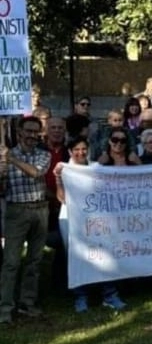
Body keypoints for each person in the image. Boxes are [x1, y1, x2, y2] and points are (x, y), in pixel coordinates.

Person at [55, 137, 129, 311]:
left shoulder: (96, 168)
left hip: (97, 220)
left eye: (83, 149)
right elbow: (62, 198)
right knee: (76, 257)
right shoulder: (63, 169)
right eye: (76, 149)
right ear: (70, 152)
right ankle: (81, 297)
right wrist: (58, 178)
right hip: (70, 219)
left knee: (103, 255)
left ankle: (109, 295)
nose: (80, 153)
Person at [0, 117, 52, 324]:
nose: (32, 136)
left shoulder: (43, 155)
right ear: (19, 132)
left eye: (35, 132)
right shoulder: (5, 156)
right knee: (11, 262)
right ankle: (5, 307)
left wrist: (11, 160)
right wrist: (2, 174)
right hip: (16, 211)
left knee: (34, 260)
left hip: (40, 209)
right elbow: (2, 190)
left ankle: (27, 303)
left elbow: (35, 173)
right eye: (28, 131)